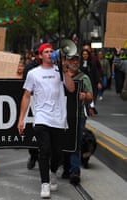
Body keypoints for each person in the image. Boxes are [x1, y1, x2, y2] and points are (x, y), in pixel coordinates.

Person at [17, 43, 75, 199]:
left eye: (51, 51)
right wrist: (21, 119)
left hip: (58, 118)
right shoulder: (33, 73)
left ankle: (53, 172)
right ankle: (44, 183)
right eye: (46, 52)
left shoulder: (59, 71)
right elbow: (26, 96)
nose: (49, 53)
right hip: (42, 117)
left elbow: (71, 88)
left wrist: (64, 71)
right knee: (45, 150)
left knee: (57, 152)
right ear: (40, 56)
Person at [62, 53, 93, 185]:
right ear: (67, 61)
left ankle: (75, 171)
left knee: (76, 143)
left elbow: (91, 97)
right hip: (61, 116)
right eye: (72, 60)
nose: (75, 62)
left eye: (77, 59)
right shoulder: (60, 76)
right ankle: (66, 168)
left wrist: (85, 95)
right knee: (62, 142)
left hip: (78, 115)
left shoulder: (84, 78)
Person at [22, 48, 41, 170]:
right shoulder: (30, 68)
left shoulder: (53, 67)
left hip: (46, 105)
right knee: (33, 131)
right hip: (33, 103)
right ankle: (33, 156)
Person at [80, 49, 101, 116]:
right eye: (83, 54)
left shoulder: (92, 63)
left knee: (91, 96)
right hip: (82, 82)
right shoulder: (79, 63)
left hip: (91, 82)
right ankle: (86, 109)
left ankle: (91, 108)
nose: (85, 55)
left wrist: (98, 82)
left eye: (86, 54)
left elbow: (96, 73)